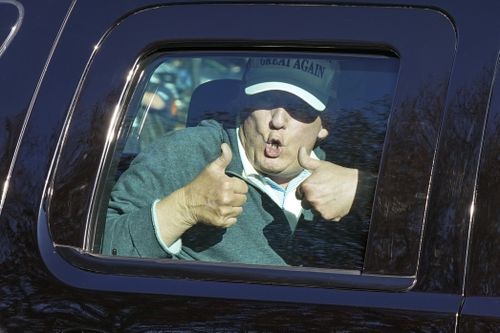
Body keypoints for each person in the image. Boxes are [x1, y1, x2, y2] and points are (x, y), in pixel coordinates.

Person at [103, 57, 365, 266]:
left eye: (298, 107)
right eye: (266, 99)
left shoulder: (349, 172)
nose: (277, 121)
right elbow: (94, 249)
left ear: (326, 124)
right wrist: (183, 207)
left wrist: (366, 192)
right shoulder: (189, 153)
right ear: (242, 103)